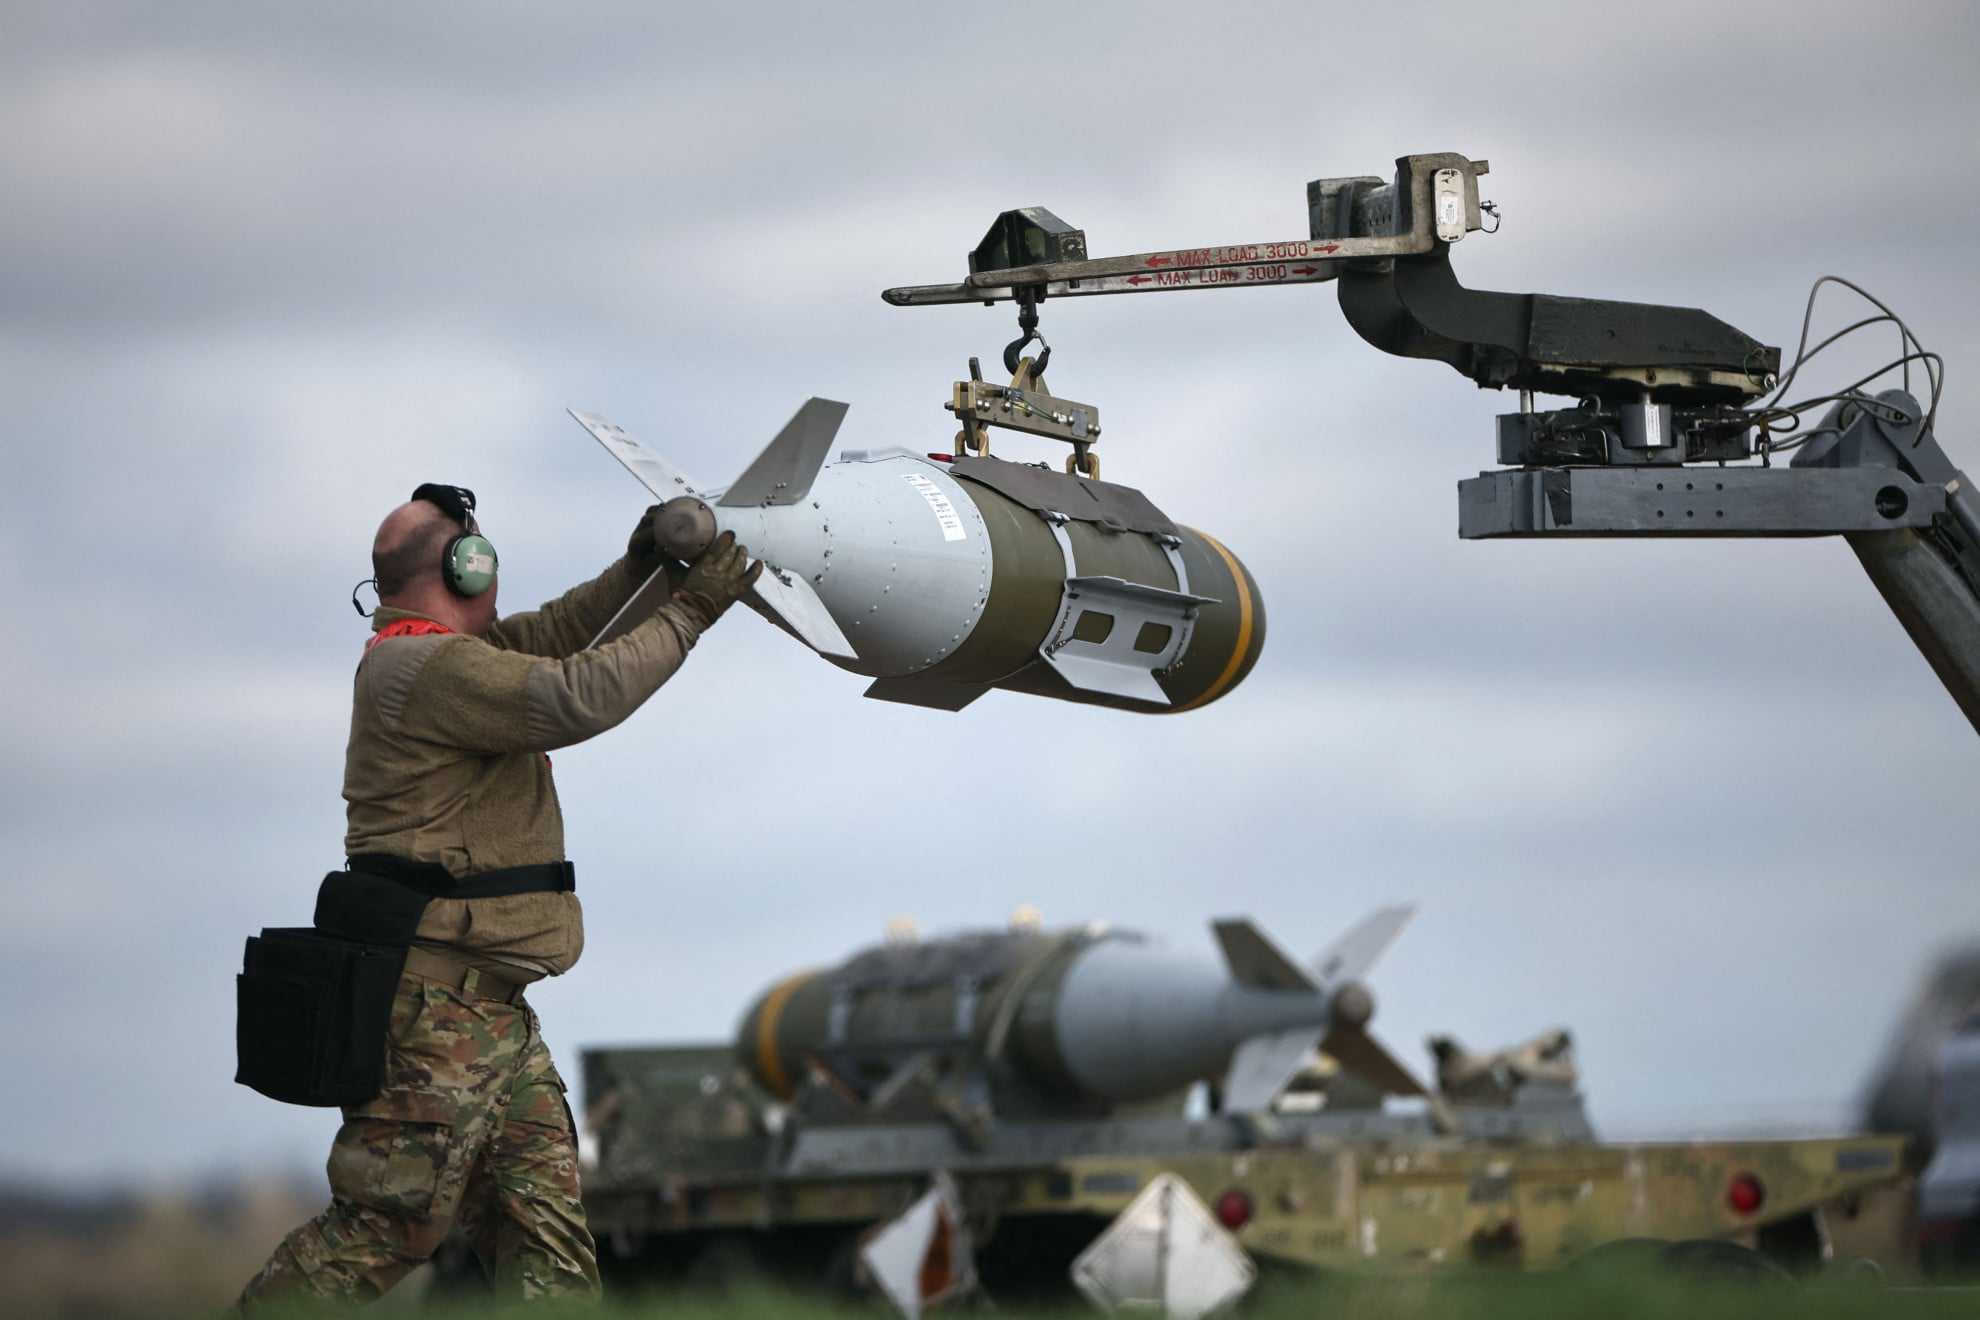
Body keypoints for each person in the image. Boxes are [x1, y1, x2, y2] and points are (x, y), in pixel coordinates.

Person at [234, 483, 760, 1309]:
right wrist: (692, 610)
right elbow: (575, 694)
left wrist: (638, 571)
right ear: (466, 566)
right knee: (384, 1228)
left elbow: (552, 636)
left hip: (491, 1017)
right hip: (437, 1014)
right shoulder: (425, 667)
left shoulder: (442, 656)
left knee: (546, 1246)